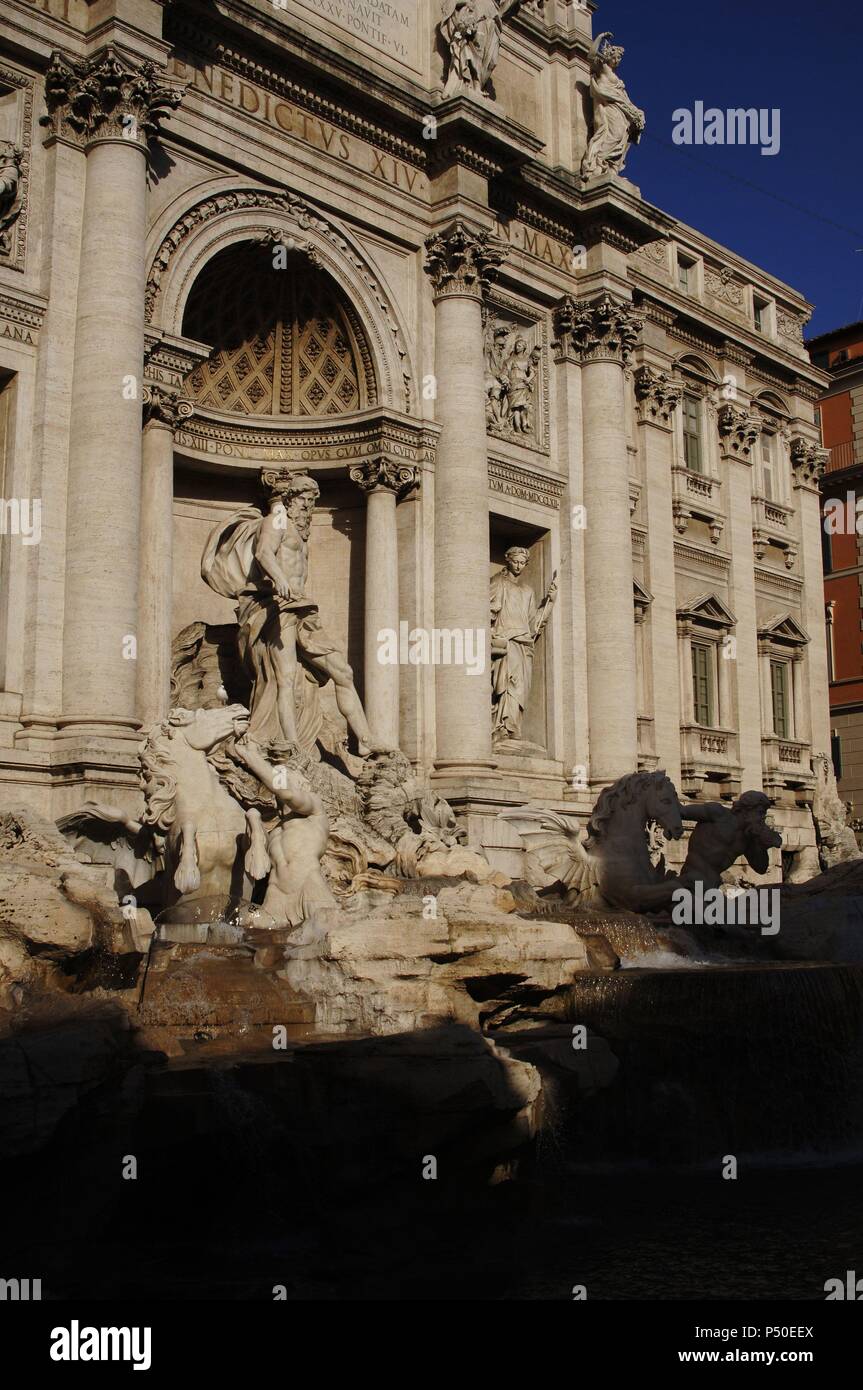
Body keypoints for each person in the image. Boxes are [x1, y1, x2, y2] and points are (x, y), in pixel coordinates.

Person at [201, 469, 376, 757]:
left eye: (313, 500)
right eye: (304, 498)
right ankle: (291, 743)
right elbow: (263, 553)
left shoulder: (300, 532)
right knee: (286, 676)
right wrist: (280, 579)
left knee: (343, 671)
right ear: (291, 499)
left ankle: (366, 741)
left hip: (302, 608)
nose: (309, 505)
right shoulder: (277, 521)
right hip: (278, 606)